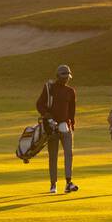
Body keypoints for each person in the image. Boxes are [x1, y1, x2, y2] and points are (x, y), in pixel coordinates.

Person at [36, 64, 78, 194]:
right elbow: (39, 104)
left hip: (66, 126)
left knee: (68, 154)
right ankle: (53, 184)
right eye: (63, 76)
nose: (66, 79)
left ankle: (68, 182)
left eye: (67, 77)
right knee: (53, 156)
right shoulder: (49, 89)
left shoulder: (70, 91)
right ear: (57, 76)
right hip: (52, 127)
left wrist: (72, 124)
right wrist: (46, 115)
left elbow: (72, 110)